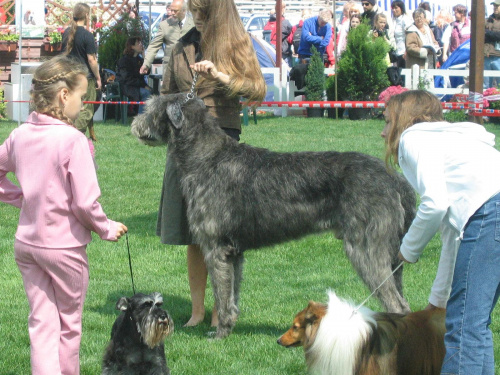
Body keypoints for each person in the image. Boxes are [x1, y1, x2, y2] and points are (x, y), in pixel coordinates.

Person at [0, 55, 128, 375]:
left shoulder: (19, 135)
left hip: (27, 245)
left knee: (41, 325)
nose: (83, 104)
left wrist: (25, 200)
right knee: (69, 326)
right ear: (63, 95)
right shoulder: (73, 140)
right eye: (82, 96)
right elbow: (85, 204)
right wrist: (105, 228)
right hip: (64, 249)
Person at [158, 0, 266, 327]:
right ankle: (197, 311)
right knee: (193, 233)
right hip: (186, 146)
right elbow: (166, 95)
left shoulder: (236, 43)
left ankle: (222, 311)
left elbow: (257, 89)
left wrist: (221, 76)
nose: (198, 19)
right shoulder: (180, 46)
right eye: (195, 13)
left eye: (204, 12)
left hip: (223, 141)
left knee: (222, 233)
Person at [382, 89, 500, 375]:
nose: (384, 133)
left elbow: (434, 204)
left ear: (403, 120)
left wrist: (406, 250)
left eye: (387, 122)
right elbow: (453, 231)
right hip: (489, 215)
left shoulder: (413, 138)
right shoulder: (452, 139)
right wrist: (438, 299)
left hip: (491, 215)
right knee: (474, 324)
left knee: (462, 327)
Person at [62, 2, 101, 141]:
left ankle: (68, 134)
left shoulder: (66, 33)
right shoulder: (87, 36)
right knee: (87, 109)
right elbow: (92, 60)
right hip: (85, 78)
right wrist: (98, 78)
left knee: (71, 108)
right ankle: (74, 137)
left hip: (69, 77)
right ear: (86, 15)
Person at [140, 0, 194, 76]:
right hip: (170, 69)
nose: (172, 13)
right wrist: (146, 64)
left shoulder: (194, 24)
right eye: (171, 10)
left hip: (189, 68)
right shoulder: (164, 25)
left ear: (184, 11)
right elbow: (154, 46)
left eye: (175, 11)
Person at [116, 37, 152, 114]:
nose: (141, 45)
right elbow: (127, 78)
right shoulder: (124, 60)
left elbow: (147, 71)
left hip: (138, 86)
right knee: (146, 93)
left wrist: (144, 56)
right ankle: (141, 118)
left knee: (154, 93)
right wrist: (143, 85)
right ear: (132, 46)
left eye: (141, 43)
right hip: (128, 87)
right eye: (138, 43)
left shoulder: (139, 60)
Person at [263, 2, 293, 66]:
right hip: (283, 54)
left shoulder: (268, 22)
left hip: (269, 52)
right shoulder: (285, 23)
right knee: (286, 74)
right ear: (283, 9)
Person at [391, 0, 412, 68]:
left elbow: (409, 36)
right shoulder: (394, 20)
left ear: (401, 8)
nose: (394, 10)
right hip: (396, 52)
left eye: (396, 8)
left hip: (403, 52)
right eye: (393, 8)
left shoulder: (405, 19)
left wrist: (407, 51)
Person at [484, 0, 500, 89]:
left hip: (498, 56)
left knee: (499, 84)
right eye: (494, 6)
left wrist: (488, 33)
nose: (495, 8)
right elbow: (480, 34)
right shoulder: (487, 20)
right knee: (485, 85)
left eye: (497, 6)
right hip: (487, 55)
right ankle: (485, 103)